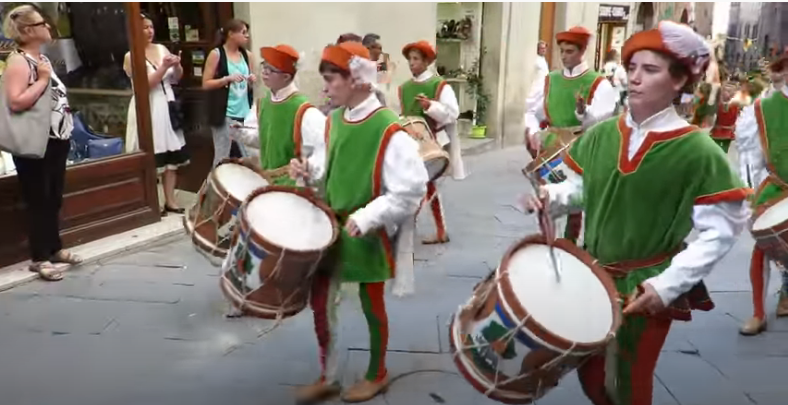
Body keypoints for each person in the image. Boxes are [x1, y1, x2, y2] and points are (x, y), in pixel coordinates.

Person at [523, 21, 749, 405]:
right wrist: (550, 197)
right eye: (633, 68)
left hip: (648, 282)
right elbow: (580, 188)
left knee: (628, 382)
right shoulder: (601, 134)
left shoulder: (699, 150)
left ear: (679, 81)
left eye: (651, 70)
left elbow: (722, 230)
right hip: (594, 274)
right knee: (590, 374)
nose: (636, 79)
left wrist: (668, 285)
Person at [288, 41, 428, 404]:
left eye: (332, 78)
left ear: (357, 80)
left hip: (365, 232)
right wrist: (307, 173)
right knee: (322, 303)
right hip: (329, 228)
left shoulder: (388, 128)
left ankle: (377, 373)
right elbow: (325, 170)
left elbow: (411, 190)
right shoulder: (333, 122)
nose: (326, 87)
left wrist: (367, 217)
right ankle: (329, 375)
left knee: (371, 305)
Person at [2, 4, 83, 281]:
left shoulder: (41, 59)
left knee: (53, 198)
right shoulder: (20, 61)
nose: (48, 27)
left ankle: (54, 248)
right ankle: (39, 257)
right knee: (39, 199)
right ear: (27, 31)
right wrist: (44, 80)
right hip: (36, 142)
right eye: (42, 24)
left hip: (56, 139)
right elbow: (15, 101)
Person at [524, 26, 618, 244]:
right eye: (562, 51)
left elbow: (604, 118)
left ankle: (569, 245)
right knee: (545, 198)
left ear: (582, 51)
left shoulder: (598, 82)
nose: (565, 56)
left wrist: (584, 111)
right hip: (550, 147)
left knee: (574, 203)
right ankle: (549, 243)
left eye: (570, 51)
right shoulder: (550, 80)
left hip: (580, 147)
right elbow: (531, 111)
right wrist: (534, 131)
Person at [735, 51, 788, 336]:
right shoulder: (763, 108)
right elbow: (751, 154)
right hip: (776, 186)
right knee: (764, 244)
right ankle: (758, 312)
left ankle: (786, 296)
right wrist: (751, 190)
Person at [399, 40, 464, 244]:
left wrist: (430, 106)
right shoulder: (404, 88)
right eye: (410, 59)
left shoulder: (439, 85)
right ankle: (437, 229)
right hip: (411, 142)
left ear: (426, 62)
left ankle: (409, 229)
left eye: (416, 59)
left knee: (423, 183)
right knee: (424, 185)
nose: (412, 63)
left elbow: (453, 113)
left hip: (433, 142)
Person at [124, 13, 190, 216]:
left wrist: (177, 65)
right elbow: (144, 86)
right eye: (144, 28)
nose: (149, 31)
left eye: (151, 27)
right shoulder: (131, 56)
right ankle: (155, 201)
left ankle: (171, 200)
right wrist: (163, 67)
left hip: (167, 104)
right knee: (153, 157)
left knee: (171, 158)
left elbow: (177, 78)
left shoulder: (161, 49)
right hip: (148, 106)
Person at [255, 44, 325, 185]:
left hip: (292, 188)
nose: (265, 72)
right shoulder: (263, 102)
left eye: (271, 70)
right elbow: (263, 138)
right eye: (264, 66)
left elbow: (324, 148)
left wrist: (309, 166)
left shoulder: (304, 110)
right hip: (267, 182)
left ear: (286, 77)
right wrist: (238, 132)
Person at [202, 19, 256, 167]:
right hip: (225, 112)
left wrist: (251, 80)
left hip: (245, 113)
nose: (247, 36)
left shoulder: (248, 56)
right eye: (243, 32)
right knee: (222, 155)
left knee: (250, 155)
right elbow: (206, 83)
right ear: (231, 34)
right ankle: (215, 187)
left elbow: (250, 86)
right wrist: (226, 79)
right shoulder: (217, 54)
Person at [708, 82, 740, 153]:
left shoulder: (718, 104)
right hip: (726, 132)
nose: (726, 93)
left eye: (728, 91)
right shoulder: (736, 105)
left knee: (716, 150)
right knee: (722, 151)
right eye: (725, 90)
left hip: (718, 131)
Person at [362, 33, 389, 106]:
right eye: (379, 48)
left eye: (381, 49)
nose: (381, 52)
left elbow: (384, 90)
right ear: (369, 48)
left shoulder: (381, 66)